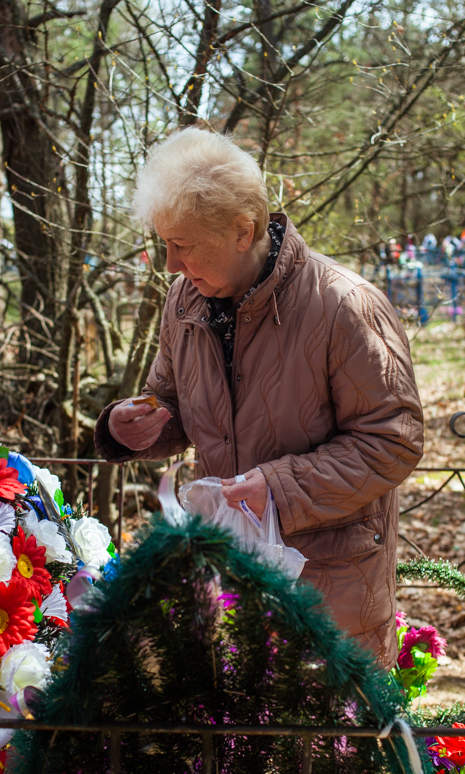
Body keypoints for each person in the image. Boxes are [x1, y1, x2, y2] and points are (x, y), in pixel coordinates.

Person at [93, 128, 425, 665]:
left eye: (183, 246)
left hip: (327, 592)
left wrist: (276, 487)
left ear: (243, 231)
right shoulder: (185, 299)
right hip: (226, 579)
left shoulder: (346, 305)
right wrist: (135, 425)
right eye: (165, 244)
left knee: (321, 746)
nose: (170, 264)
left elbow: (393, 441)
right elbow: (172, 400)